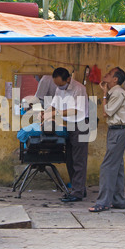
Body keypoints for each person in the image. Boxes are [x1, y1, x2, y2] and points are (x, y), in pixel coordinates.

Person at [42, 67, 89, 202]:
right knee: (69, 159)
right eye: (57, 85)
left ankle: (77, 192)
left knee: (79, 160)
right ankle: (78, 188)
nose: (59, 87)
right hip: (68, 125)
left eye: (61, 85)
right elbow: (54, 105)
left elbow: (76, 110)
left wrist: (54, 114)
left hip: (80, 124)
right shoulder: (59, 88)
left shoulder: (79, 89)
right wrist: (46, 113)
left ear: (68, 79)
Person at [89, 67, 125, 212]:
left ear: (115, 79)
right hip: (115, 132)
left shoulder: (118, 92)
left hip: (117, 132)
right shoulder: (116, 92)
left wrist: (104, 94)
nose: (106, 74)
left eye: (109, 74)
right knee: (117, 167)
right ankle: (118, 201)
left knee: (107, 167)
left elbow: (107, 112)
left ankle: (103, 202)